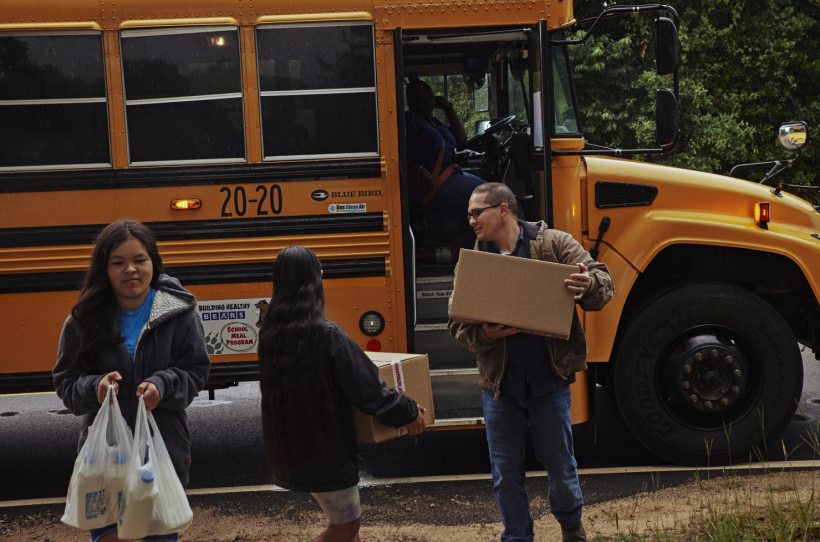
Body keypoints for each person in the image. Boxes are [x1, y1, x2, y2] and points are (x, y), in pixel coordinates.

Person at [448, 183, 614, 542]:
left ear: (504, 210)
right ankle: (517, 538)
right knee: (506, 475)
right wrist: (488, 336)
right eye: (469, 215)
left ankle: (572, 528)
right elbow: (457, 325)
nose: (471, 221)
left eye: (477, 213)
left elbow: (603, 280)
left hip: (548, 382)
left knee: (561, 468)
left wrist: (587, 285)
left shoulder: (553, 244)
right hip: (500, 389)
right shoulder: (475, 263)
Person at [53, 220, 211, 542]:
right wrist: (93, 387)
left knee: (160, 537)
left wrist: (163, 385)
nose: (131, 270)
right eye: (118, 263)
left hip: (162, 452)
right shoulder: (83, 320)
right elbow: (65, 381)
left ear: (153, 262)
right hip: (104, 462)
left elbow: (196, 371)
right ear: (104, 268)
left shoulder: (180, 314)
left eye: (140, 260)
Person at [257, 246, 426, 542]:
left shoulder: (271, 332)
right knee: (346, 528)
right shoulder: (326, 334)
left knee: (348, 532)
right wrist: (408, 412)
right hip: (326, 451)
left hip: (294, 445)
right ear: (315, 279)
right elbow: (369, 390)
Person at [405, 73, 486, 216]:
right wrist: (419, 169)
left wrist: (447, 108)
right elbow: (394, 157)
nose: (428, 103)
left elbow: (461, 139)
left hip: (450, 176)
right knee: (493, 199)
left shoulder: (433, 122)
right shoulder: (409, 121)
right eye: (421, 99)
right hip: (432, 185)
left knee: (496, 191)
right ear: (411, 102)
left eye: (430, 98)